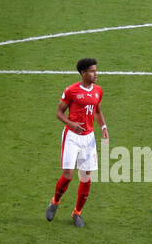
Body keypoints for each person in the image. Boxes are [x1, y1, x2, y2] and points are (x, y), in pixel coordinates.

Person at [46, 57, 108, 228]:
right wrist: (71, 123)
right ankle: (55, 201)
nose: (96, 74)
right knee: (68, 175)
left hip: (88, 138)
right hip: (72, 136)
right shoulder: (71, 90)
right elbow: (59, 113)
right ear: (83, 73)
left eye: (96, 70)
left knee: (86, 177)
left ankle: (77, 213)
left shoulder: (98, 91)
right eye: (92, 71)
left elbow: (97, 111)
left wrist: (103, 126)